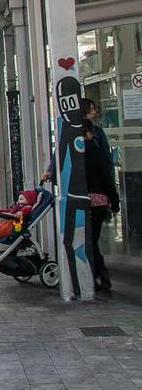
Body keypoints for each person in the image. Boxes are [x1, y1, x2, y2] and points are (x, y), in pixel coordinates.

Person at [82, 119, 120, 291]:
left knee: (87, 240)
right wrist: (114, 201)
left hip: (79, 201)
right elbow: (107, 179)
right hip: (98, 202)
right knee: (92, 239)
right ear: (89, 133)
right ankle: (100, 272)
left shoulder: (74, 154)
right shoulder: (97, 152)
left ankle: (94, 273)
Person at [41, 98, 112, 182]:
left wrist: (51, 171)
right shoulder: (94, 132)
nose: (94, 112)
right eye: (91, 109)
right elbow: (60, 151)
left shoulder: (95, 131)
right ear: (84, 111)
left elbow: (59, 151)